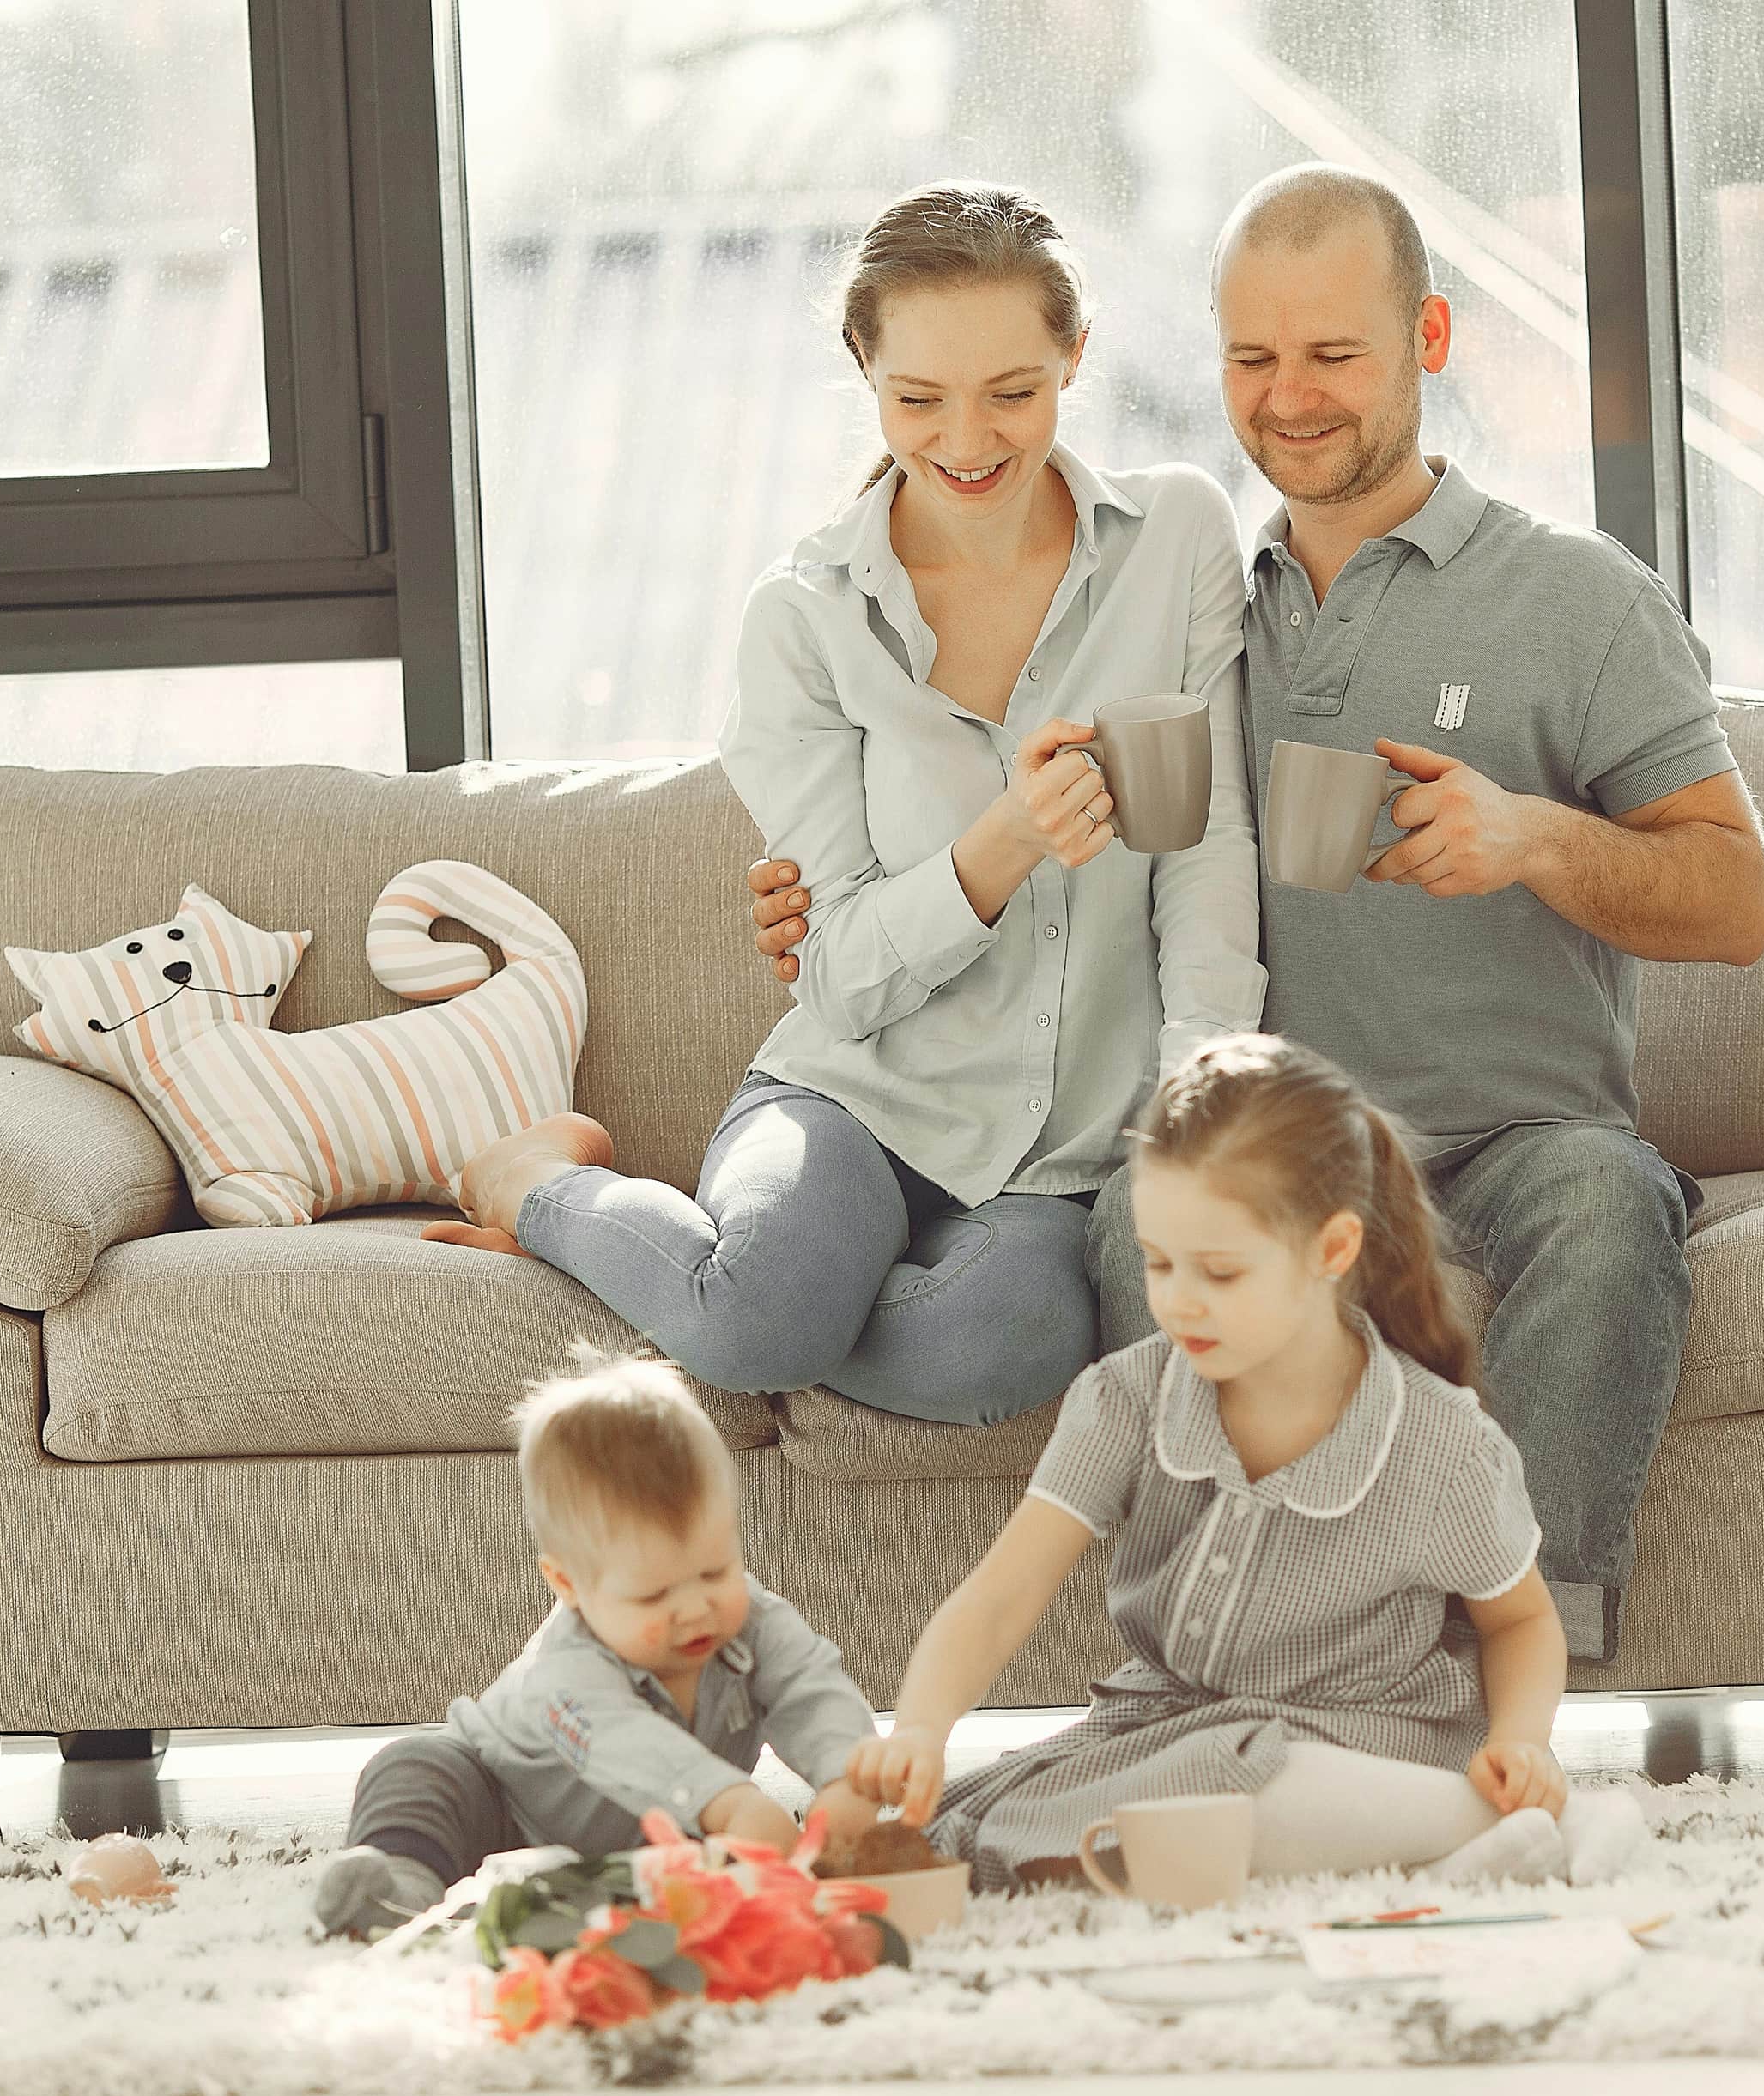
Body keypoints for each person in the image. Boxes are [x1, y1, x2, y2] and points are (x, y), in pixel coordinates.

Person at [755, 167, 1764, 1657]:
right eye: (1252, 358)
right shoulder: (1199, 602)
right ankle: (1228, 1654)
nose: (1288, 399)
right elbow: (986, 782)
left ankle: (1504, 1662)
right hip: (1275, 1166)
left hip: (1513, 1153)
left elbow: (1738, 900)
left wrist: (1535, 838)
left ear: (1428, 340)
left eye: (1333, 356)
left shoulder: (1578, 600)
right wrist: (811, 890)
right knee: (1135, 1219)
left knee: (1610, 1206)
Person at [428, 180, 1264, 1427]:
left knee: (1003, 1343)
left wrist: (1202, 1098)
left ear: (1075, 356)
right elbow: (842, 979)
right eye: (918, 398)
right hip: (853, 1097)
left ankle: (704, 1294)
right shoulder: (808, 619)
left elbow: (1205, 847)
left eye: (1014, 393)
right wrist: (1001, 846)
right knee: (761, 1315)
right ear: (862, 367)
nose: (968, 440)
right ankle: (535, 1185)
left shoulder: (1176, 536)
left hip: (1060, 1152)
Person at [847, 1037, 1646, 1893]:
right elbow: (1004, 1591)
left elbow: (1520, 1622)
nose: (1178, 1300)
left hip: (1364, 1739)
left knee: (1238, 1780)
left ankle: (1526, 1824)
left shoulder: (1440, 1441)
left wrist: (1519, 1740)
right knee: (984, 1830)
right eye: (1159, 1263)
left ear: (1332, 1251)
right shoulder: (1126, 1398)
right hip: (1171, 1733)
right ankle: (1447, 1850)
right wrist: (924, 1728)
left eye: (1220, 1271)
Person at [313, 1346, 884, 1938]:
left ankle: (553, 1900)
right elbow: (625, 1742)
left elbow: (810, 1687)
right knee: (415, 1768)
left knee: (695, 1881)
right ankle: (400, 1893)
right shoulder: (568, 1669)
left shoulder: (753, 1621)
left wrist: (846, 1776)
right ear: (570, 1585)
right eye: (652, 1595)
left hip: (638, 1845)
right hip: (501, 1801)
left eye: (716, 1570)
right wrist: (731, 1803)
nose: (696, 1608)